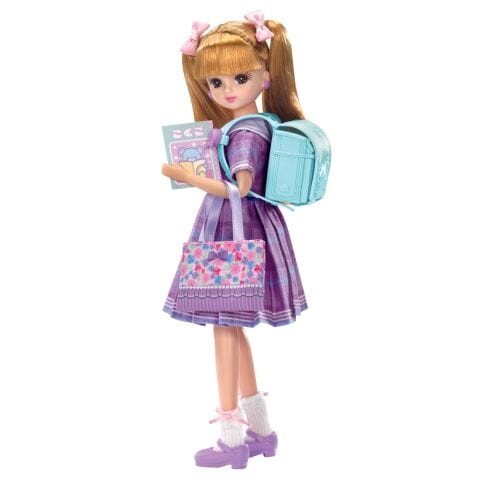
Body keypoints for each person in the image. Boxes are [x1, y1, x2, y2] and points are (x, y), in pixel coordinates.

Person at [161, 11, 308, 469]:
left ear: (265, 77)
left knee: (224, 329)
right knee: (232, 327)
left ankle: (232, 440)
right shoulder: (252, 125)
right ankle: (261, 431)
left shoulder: (246, 132)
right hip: (239, 230)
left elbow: (239, 189)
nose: (227, 90)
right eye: (216, 82)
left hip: (235, 232)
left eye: (240, 78)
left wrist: (186, 176)